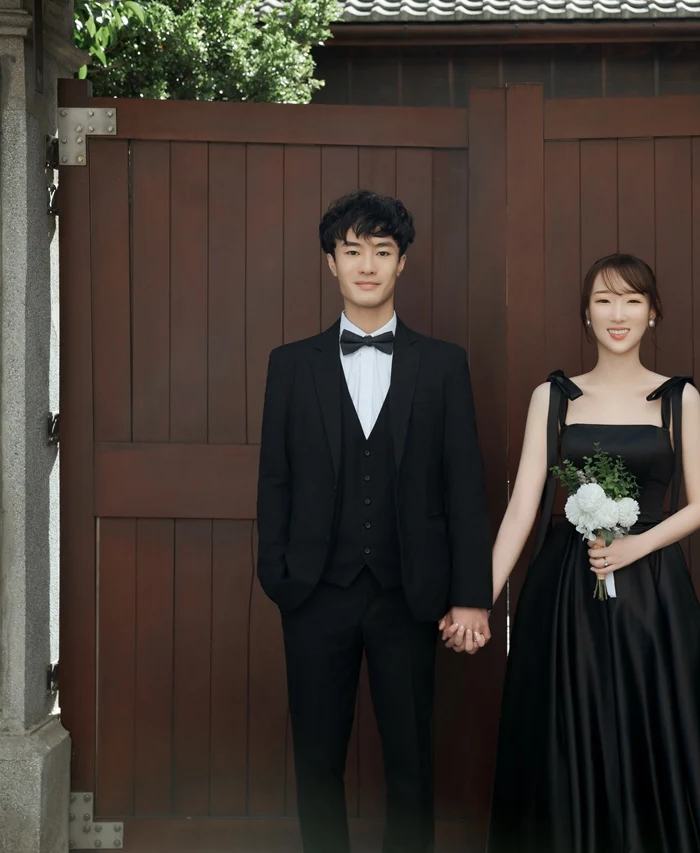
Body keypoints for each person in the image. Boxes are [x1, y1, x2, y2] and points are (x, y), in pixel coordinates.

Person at [445, 253, 700, 852]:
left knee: (653, 722)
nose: (618, 314)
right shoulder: (553, 397)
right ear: (585, 313)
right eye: (604, 300)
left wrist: (635, 548)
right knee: (569, 727)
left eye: (632, 300)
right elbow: (524, 506)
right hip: (566, 592)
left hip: (652, 591)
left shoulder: (678, 398)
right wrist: (478, 601)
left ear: (652, 313)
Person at [256, 189, 493, 853]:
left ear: (402, 262)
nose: (367, 265)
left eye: (382, 251)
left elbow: (464, 487)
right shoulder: (289, 365)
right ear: (331, 261)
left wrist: (470, 594)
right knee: (316, 760)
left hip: (409, 593)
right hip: (314, 590)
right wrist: (278, 574)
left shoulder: (443, 365)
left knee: (412, 763)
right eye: (353, 250)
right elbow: (275, 480)